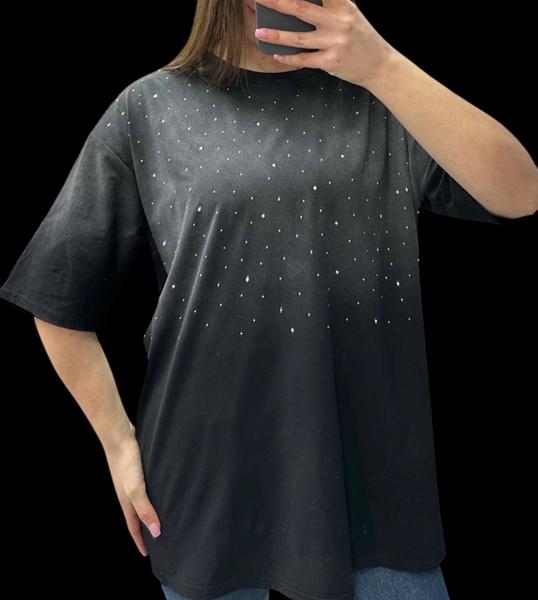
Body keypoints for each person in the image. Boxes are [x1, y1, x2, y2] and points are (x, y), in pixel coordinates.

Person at [0, 1, 536, 600]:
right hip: (208, 488)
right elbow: (55, 288)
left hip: (374, 484)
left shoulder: (384, 99)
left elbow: (520, 193)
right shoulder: (149, 108)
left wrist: (384, 66)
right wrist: (117, 443)